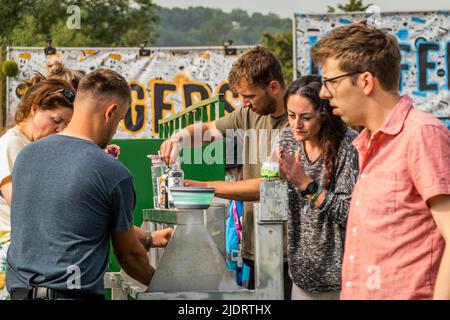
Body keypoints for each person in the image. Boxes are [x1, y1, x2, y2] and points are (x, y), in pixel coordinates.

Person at [6, 69, 172, 300]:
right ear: (111, 112)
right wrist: (170, 289)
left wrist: (148, 239)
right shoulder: (113, 172)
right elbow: (130, 256)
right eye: (120, 120)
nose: (116, 129)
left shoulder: (26, 155)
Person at [312, 22, 450, 300]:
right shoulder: (368, 142)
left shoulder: (422, 134)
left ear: (365, 81)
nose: (323, 93)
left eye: (331, 82)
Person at [159, 46, 292, 297]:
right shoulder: (248, 114)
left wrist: (203, 187)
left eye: (250, 96)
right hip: (256, 247)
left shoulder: (298, 123)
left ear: (273, 87)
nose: (244, 103)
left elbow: (268, 187)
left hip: (290, 251)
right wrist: (178, 138)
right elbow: (208, 129)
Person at [277, 75, 358, 300]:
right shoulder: (287, 139)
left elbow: (350, 213)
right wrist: (274, 180)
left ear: (323, 115)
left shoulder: (347, 144)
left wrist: (306, 184)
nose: (296, 124)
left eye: (306, 117)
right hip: (301, 276)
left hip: (340, 280)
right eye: (291, 115)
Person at [0, 78, 76, 300]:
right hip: (10, 248)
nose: (60, 129)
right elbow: (20, 202)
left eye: (66, 124)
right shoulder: (11, 144)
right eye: (56, 120)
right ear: (34, 109)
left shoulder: (36, 146)